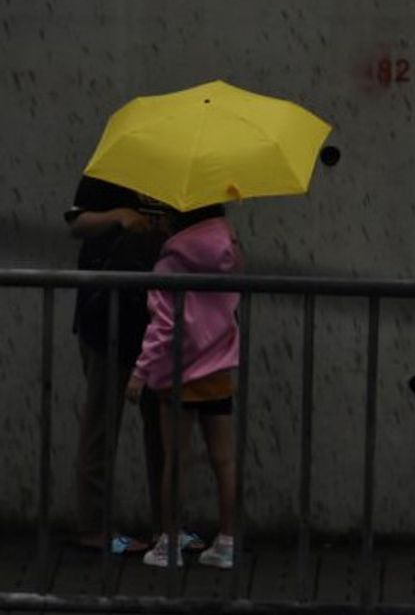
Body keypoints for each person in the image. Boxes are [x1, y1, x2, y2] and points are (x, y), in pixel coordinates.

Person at [65, 176, 206, 554]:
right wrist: (119, 216)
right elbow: (76, 223)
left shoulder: (191, 171)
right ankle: (93, 526)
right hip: (107, 312)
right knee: (102, 421)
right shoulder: (112, 165)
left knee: (163, 426)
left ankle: (168, 525)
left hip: (159, 319)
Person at [124, 204, 242, 569]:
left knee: (175, 460)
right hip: (218, 370)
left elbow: (163, 327)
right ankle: (227, 542)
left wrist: (139, 373)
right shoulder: (231, 255)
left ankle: (169, 543)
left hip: (179, 374)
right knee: (223, 461)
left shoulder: (169, 264)